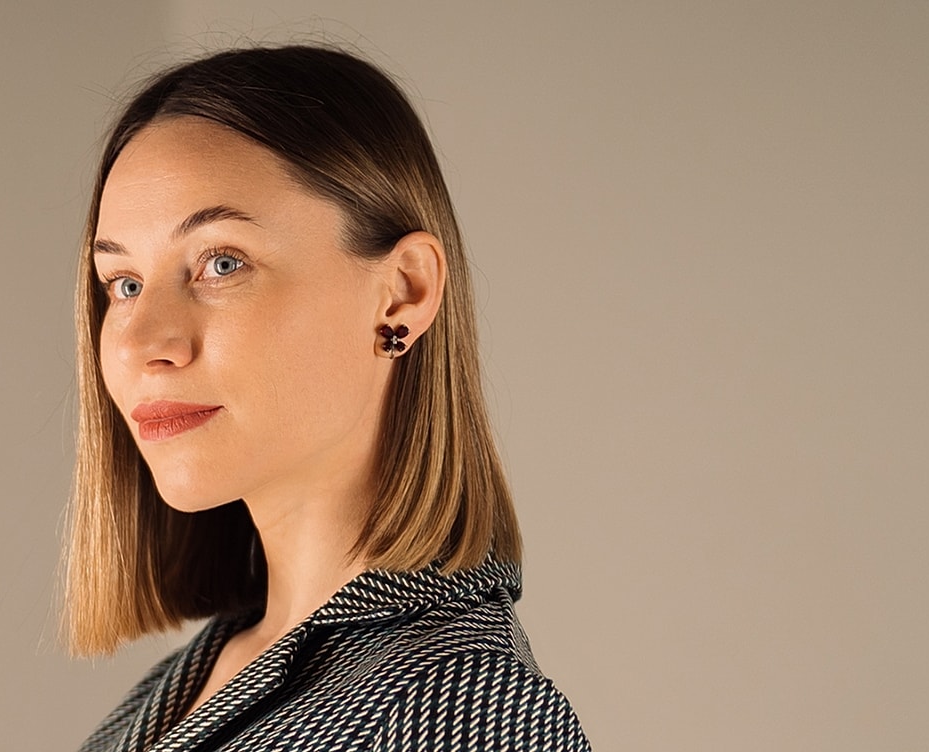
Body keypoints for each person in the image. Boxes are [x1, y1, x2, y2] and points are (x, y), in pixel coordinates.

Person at [66, 44, 590, 751]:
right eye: (124, 284)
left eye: (222, 263)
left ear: (401, 293)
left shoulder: (464, 707)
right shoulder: (182, 686)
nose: (139, 342)